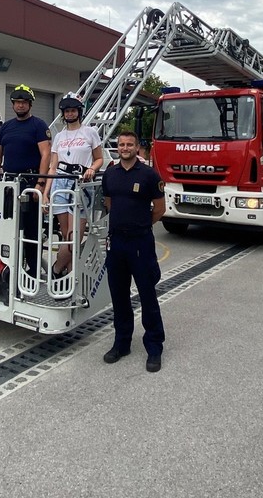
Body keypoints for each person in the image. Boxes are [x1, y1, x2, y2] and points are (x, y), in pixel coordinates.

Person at [101, 130, 166, 373]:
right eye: (121, 144)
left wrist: (139, 224)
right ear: (118, 148)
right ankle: (122, 343)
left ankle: (154, 347)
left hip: (140, 243)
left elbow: (160, 209)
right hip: (116, 242)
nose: (125, 148)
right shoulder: (110, 173)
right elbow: (109, 202)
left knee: (147, 295)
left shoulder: (149, 175)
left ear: (137, 147)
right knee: (119, 297)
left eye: (130, 144)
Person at [0, 85, 51, 273]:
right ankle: (8, 270)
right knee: (6, 229)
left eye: (24, 102)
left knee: (31, 231)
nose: (20, 106)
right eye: (17, 102)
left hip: (30, 184)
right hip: (8, 183)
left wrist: (40, 183)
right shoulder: (6, 127)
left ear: (30, 104)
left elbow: (46, 154)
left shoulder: (38, 125)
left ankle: (32, 272)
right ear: (13, 105)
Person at [42, 93, 103, 279]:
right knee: (65, 232)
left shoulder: (90, 132)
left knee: (73, 237)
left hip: (81, 185)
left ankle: (56, 269)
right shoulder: (59, 136)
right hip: (60, 183)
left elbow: (99, 158)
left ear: (79, 111)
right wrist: (46, 193)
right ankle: (69, 277)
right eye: (67, 111)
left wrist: (92, 168)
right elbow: (53, 166)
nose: (70, 114)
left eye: (73, 110)